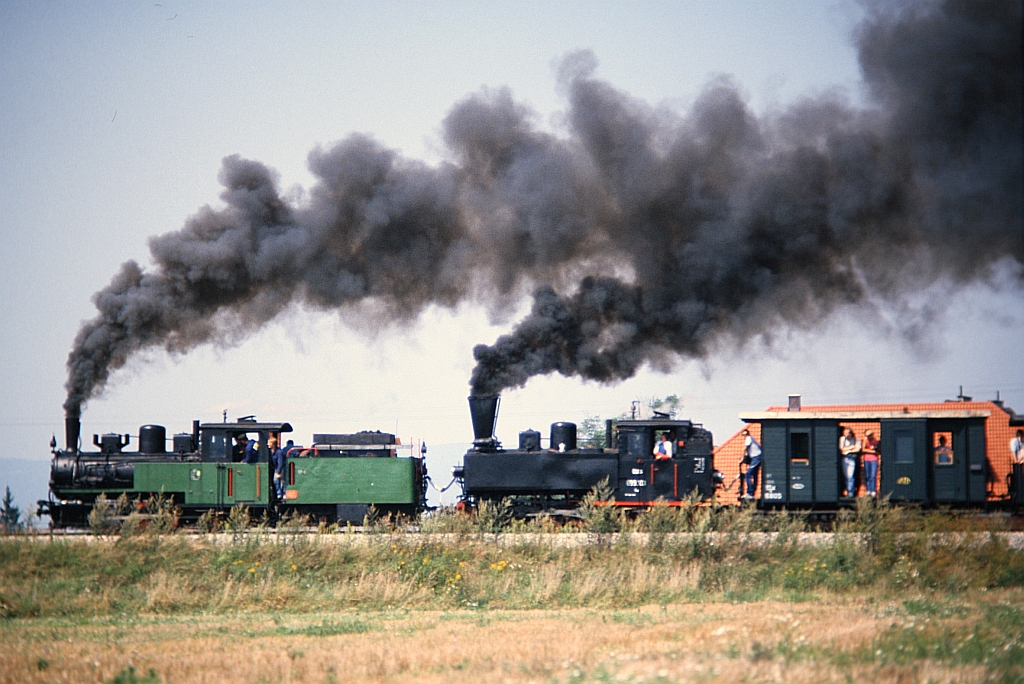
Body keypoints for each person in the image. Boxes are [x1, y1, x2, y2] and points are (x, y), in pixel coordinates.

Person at [839, 428, 860, 497]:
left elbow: (857, 449)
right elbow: (842, 449)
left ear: (851, 433)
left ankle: (850, 492)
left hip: (852, 458)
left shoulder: (856, 439)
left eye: (848, 433)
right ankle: (847, 490)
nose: (846, 435)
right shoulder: (842, 439)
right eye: (845, 433)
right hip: (845, 458)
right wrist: (851, 447)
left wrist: (847, 450)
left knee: (850, 476)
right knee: (846, 476)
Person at [742, 428, 761, 500]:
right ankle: (752, 492)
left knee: (748, 474)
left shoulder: (748, 438)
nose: (744, 436)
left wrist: (742, 457)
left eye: (745, 434)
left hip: (756, 457)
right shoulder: (751, 439)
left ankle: (750, 492)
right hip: (756, 457)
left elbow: (745, 448)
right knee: (755, 475)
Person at [861, 430, 880, 497]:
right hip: (866, 459)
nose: (868, 437)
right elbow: (863, 449)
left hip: (874, 459)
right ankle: (868, 490)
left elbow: (878, 449)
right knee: (868, 476)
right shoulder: (865, 440)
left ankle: (873, 490)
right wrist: (872, 451)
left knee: (873, 476)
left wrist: (874, 451)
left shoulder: (875, 441)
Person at [269, 434, 287, 499]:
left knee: (282, 481)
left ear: (273, 444)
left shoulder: (279, 452)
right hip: (276, 467)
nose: (268, 444)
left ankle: (283, 494)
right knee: (276, 481)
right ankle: (279, 493)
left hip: (281, 467)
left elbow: (281, 462)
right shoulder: (271, 451)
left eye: (269, 443)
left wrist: (278, 472)